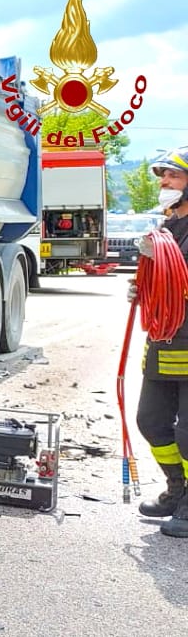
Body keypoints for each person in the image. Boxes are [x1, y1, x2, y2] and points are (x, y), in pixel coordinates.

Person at [130, 145, 188, 537]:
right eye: (162, 176)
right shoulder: (167, 230)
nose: (164, 183)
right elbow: (159, 274)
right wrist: (143, 287)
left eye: (173, 176)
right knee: (150, 420)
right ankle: (176, 489)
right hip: (164, 341)